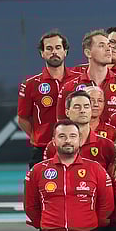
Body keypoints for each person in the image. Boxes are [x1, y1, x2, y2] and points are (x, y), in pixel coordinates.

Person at [18, 31, 72, 167]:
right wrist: (37, 136)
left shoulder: (78, 79)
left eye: (58, 48)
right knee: (37, 187)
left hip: (75, 147)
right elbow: (22, 118)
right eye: (49, 48)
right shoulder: (31, 84)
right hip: (42, 149)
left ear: (65, 51)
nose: (54, 52)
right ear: (42, 53)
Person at [43, 90, 114, 170]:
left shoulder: (106, 145)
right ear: (67, 112)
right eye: (77, 107)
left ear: (91, 111)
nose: (82, 111)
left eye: (86, 106)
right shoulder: (54, 146)